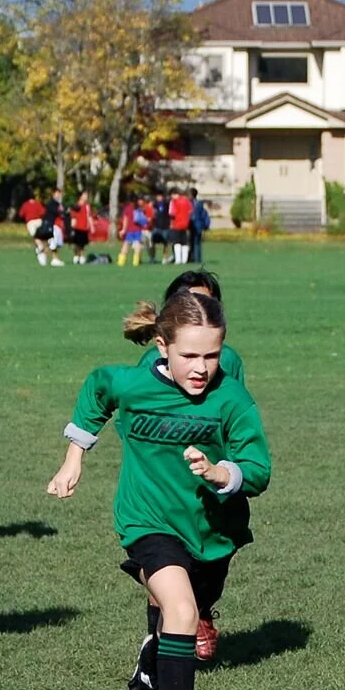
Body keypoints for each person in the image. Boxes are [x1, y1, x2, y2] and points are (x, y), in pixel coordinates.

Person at [47, 290, 271, 690]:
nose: (201, 367)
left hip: (213, 533)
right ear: (161, 346)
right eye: (189, 355)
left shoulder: (229, 398)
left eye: (211, 356)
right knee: (183, 613)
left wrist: (221, 473)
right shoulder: (133, 383)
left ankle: (152, 656)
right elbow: (98, 389)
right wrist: (74, 456)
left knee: (189, 610)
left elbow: (259, 467)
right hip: (147, 522)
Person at [124, 269, 249, 661]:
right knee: (165, 562)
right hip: (163, 486)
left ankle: (201, 611)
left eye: (209, 303)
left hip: (212, 482)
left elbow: (237, 416)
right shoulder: (151, 362)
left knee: (210, 567)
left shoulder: (229, 361)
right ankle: (157, 645)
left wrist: (228, 468)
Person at [167, 188, 195, 263]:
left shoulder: (174, 202)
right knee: (184, 243)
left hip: (176, 224)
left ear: (173, 194)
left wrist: (172, 223)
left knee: (177, 242)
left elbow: (171, 213)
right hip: (186, 224)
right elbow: (191, 211)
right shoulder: (186, 200)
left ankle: (178, 260)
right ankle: (184, 260)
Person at [20, 191, 47, 265]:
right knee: (40, 239)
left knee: (36, 237)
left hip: (31, 222)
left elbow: (21, 214)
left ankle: (40, 247)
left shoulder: (25, 204)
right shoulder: (37, 203)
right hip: (39, 221)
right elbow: (43, 213)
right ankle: (42, 260)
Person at [119, 199, 148, 267]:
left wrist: (123, 229)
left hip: (130, 230)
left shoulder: (128, 208)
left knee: (126, 245)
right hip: (137, 230)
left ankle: (121, 262)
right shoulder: (140, 208)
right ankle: (135, 262)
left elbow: (125, 219)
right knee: (137, 246)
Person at [186, 188, 211, 265]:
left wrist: (204, 226)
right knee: (194, 243)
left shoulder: (192, 204)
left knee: (195, 243)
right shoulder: (199, 204)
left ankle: (195, 259)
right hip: (195, 225)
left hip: (194, 225)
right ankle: (195, 258)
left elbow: (202, 215)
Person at [68, 193, 94, 263]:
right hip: (77, 228)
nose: (86, 197)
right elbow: (73, 216)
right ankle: (76, 256)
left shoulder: (87, 206)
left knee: (83, 244)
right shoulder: (76, 205)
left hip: (84, 228)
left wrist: (92, 226)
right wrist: (72, 226)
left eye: (86, 196)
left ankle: (82, 257)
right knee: (76, 244)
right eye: (84, 195)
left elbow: (89, 216)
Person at [149, 192, 173, 265]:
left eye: (160, 196)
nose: (159, 198)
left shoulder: (167, 204)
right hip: (156, 226)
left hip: (165, 226)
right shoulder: (154, 205)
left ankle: (165, 258)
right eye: (158, 196)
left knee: (165, 243)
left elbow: (171, 214)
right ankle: (153, 258)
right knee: (153, 242)